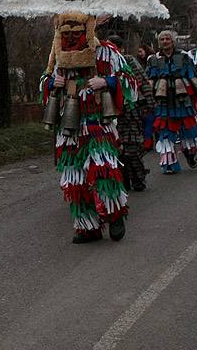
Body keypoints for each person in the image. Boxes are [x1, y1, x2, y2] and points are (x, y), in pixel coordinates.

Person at [41, 13, 134, 244]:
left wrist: (107, 82)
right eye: (67, 33)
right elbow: (43, 82)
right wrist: (53, 83)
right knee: (75, 178)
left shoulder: (107, 52)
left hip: (98, 123)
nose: (71, 38)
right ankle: (87, 226)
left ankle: (115, 216)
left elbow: (130, 83)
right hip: (69, 126)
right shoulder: (58, 56)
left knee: (105, 171)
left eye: (76, 33)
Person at [146, 31, 197, 174]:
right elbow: (150, 77)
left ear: (173, 41)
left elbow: (192, 76)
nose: (165, 41)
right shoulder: (154, 59)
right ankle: (169, 164)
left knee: (188, 129)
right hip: (163, 100)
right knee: (165, 131)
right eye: (162, 39)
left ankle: (190, 153)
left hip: (182, 99)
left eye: (167, 39)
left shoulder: (183, 56)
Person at [107, 35, 151, 191]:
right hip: (111, 113)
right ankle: (123, 179)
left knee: (132, 148)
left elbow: (142, 82)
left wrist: (148, 105)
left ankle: (138, 178)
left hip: (130, 111)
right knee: (116, 149)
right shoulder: (103, 64)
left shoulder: (129, 61)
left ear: (121, 49)